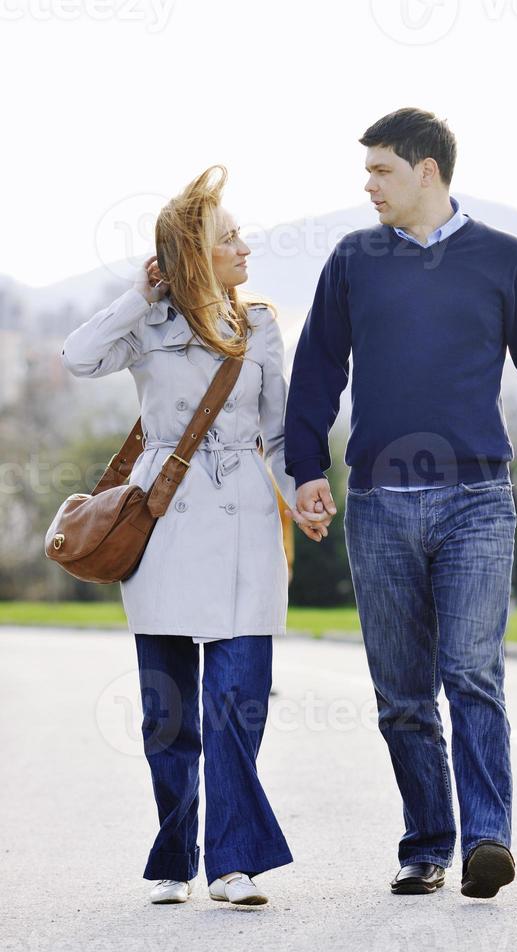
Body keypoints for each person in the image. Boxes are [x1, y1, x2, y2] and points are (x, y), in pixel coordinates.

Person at [284, 108, 517, 900]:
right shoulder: (353, 260)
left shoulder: (500, 258)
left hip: (476, 501)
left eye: (380, 171)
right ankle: (426, 842)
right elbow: (317, 368)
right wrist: (304, 470)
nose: (368, 186)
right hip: (378, 504)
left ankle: (487, 840)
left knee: (471, 673)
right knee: (400, 693)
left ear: (426, 170)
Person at [61, 165, 326, 907]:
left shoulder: (261, 324)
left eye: (240, 234)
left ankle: (234, 861)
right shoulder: (145, 327)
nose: (245, 246)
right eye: (227, 238)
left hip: (243, 512)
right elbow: (77, 358)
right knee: (166, 709)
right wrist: (139, 294)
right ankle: (175, 856)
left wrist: (301, 494)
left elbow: (276, 432)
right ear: (190, 256)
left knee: (238, 700)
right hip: (163, 521)